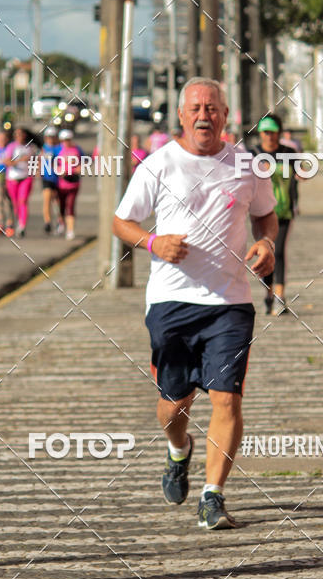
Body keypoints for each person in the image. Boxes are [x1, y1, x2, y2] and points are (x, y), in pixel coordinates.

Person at [113, 77, 277, 530]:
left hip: (230, 302)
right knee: (174, 405)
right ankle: (177, 449)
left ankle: (213, 495)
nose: (204, 115)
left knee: (227, 399)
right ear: (182, 116)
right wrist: (152, 242)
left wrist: (266, 242)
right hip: (170, 302)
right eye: (196, 108)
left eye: (213, 107)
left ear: (226, 115)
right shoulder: (159, 165)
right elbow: (121, 221)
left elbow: (266, 214)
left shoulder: (248, 165)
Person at [253, 113, 299, 315]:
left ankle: (280, 298)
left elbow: (300, 175)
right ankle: (268, 295)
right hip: (261, 212)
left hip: (284, 209)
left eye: (272, 132)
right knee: (267, 252)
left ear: (279, 133)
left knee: (279, 251)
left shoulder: (288, 152)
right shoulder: (253, 153)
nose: (268, 136)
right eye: (265, 132)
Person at [3, 127, 41, 237]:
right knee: (15, 203)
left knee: (23, 201)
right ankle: (18, 220)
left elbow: (37, 160)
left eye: (21, 134)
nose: (19, 136)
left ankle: (22, 226)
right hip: (12, 178)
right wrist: (19, 160)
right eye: (17, 134)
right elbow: (7, 161)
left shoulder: (30, 147)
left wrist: (37, 170)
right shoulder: (11, 146)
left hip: (26, 177)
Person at [55, 129, 82, 240]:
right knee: (61, 206)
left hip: (73, 183)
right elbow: (52, 164)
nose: (66, 142)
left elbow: (83, 164)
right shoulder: (57, 150)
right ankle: (61, 223)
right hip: (61, 183)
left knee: (70, 206)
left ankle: (70, 230)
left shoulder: (77, 150)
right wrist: (59, 171)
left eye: (68, 139)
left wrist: (75, 170)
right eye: (64, 140)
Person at [41, 128, 61, 234]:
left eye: (52, 136)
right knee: (47, 199)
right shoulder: (43, 148)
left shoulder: (60, 148)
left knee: (57, 201)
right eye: (49, 137)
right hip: (46, 177)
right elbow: (39, 160)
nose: (50, 139)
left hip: (58, 178)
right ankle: (47, 222)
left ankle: (59, 220)